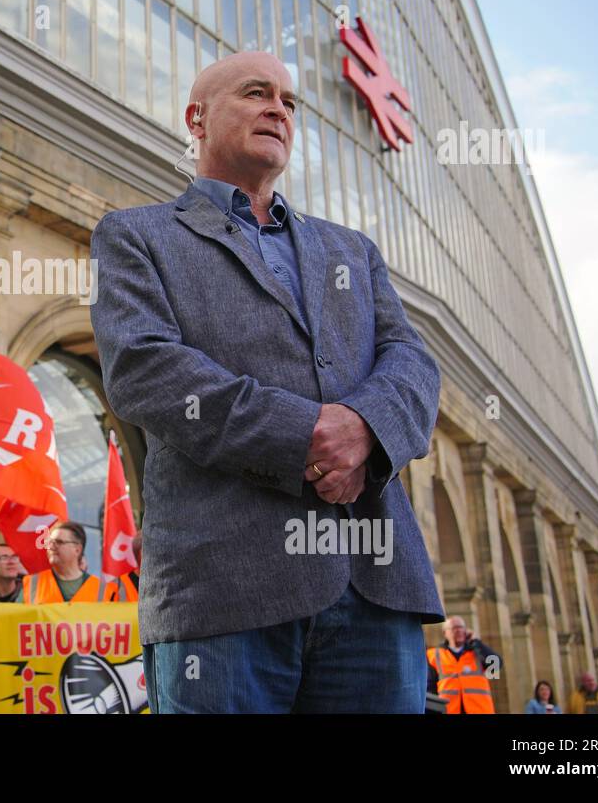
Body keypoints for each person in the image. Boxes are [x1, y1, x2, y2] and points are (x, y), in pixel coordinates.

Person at [89, 51, 444, 713]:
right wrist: (308, 435)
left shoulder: (352, 251)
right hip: (225, 592)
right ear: (196, 119)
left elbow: (413, 361)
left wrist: (364, 429)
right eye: (257, 93)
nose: (278, 109)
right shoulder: (135, 236)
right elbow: (146, 369)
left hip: (375, 587)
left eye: (288, 100)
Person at [21, 522, 131, 603]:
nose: (51, 546)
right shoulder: (30, 584)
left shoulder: (104, 590)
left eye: (59, 542)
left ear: (77, 549)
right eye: (49, 542)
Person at [426, 616, 499, 714]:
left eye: (461, 627)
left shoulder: (477, 652)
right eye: (454, 628)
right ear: (445, 633)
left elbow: (496, 665)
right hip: (449, 710)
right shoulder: (433, 655)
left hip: (479, 710)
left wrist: (477, 642)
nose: (459, 631)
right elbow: (430, 687)